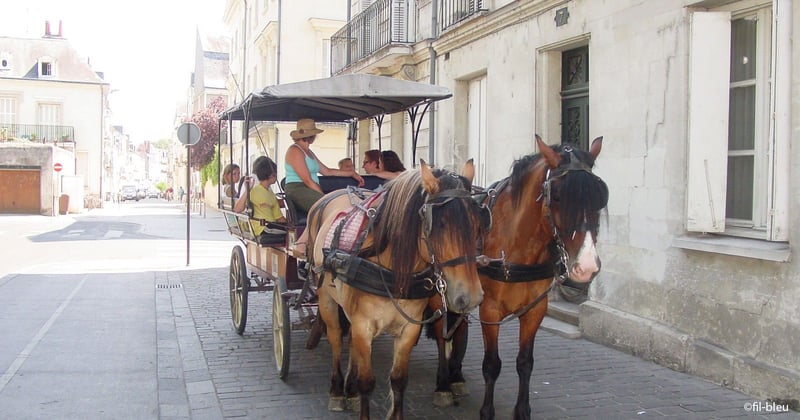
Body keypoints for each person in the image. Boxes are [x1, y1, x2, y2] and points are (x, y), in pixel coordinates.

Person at [284, 118, 364, 214]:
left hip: (310, 188)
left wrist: (351, 173)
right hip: (298, 188)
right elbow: (307, 180)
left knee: (339, 203)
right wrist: (324, 197)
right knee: (329, 206)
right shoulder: (295, 150)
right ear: (312, 135)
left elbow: (327, 171)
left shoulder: (309, 152)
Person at [234, 157, 286, 236]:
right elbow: (237, 209)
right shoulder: (253, 191)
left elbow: (279, 218)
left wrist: (291, 225)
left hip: (271, 225)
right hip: (262, 227)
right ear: (272, 175)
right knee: (288, 231)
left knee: (291, 230)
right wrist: (247, 190)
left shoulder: (271, 194)